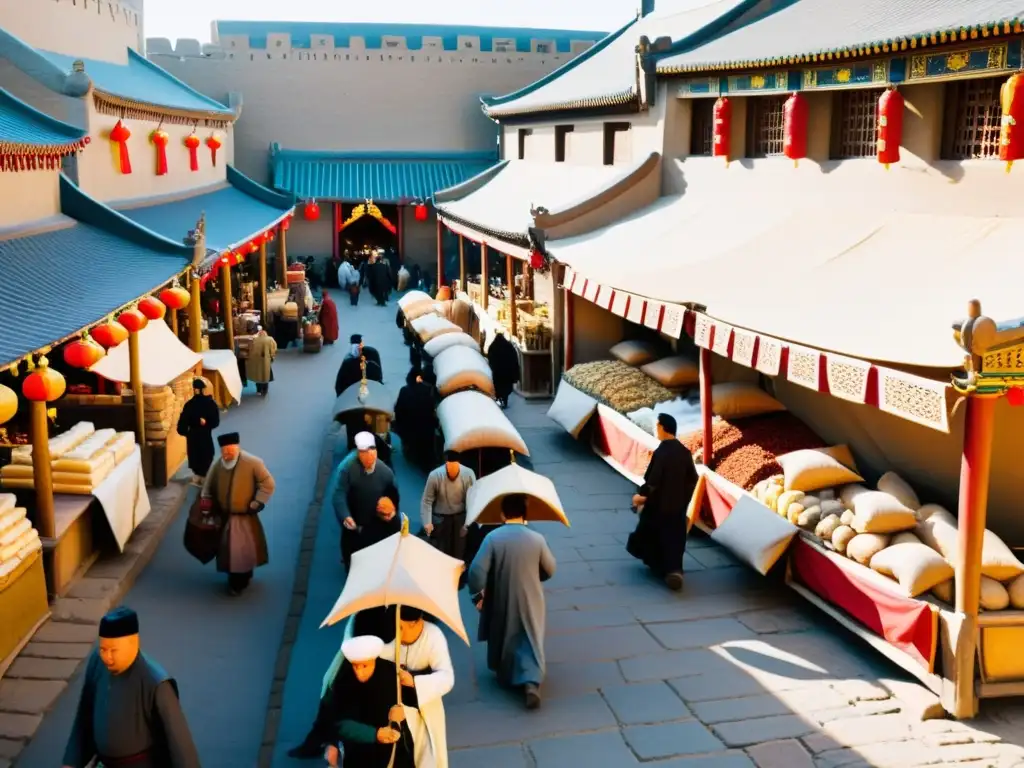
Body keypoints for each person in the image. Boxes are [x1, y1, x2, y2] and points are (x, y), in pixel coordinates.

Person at [61, 607, 200, 768]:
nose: (107, 657)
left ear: (133, 643)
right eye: (103, 649)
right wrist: (71, 763)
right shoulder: (97, 662)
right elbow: (84, 717)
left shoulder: (155, 682)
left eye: (113, 650)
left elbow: (179, 743)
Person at [468, 494, 556, 709]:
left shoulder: (493, 538)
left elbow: (476, 572)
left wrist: (478, 596)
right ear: (525, 514)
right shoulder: (537, 539)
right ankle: (531, 681)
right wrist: (536, 577)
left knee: (505, 634)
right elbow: (550, 569)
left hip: (502, 597)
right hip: (531, 597)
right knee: (530, 635)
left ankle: (507, 674)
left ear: (502, 513)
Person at [626, 412, 697, 591]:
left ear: (662, 428)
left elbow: (653, 482)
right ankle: (674, 571)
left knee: (653, 535)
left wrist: (640, 497)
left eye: (657, 426)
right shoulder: (685, 452)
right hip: (678, 508)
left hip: (659, 506)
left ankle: (661, 569)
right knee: (674, 540)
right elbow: (693, 479)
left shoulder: (662, 452)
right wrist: (683, 500)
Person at [321, 636, 416, 768]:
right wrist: (375, 734)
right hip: (360, 753)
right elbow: (340, 722)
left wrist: (405, 710)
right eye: (355, 666)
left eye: (365, 666)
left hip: (395, 752)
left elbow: (416, 704)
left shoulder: (392, 673)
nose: (360, 672)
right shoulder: (343, 681)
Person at [201, 432, 276, 595]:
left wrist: (257, 502)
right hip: (225, 516)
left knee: (241, 550)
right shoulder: (218, 465)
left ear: (237, 448)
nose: (227, 455)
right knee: (228, 550)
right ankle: (237, 578)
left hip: (244, 516)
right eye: (224, 452)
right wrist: (206, 502)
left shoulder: (252, 463)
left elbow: (267, 483)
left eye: (230, 451)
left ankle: (238, 582)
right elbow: (208, 485)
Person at [334, 431, 399, 570]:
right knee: (352, 556)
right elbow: (339, 494)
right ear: (358, 454)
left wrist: (391, 512)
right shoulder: (347, 469)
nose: (368, 459)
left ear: (375, 453)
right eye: (363, 454)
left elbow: (394, 497)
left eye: (370, 454)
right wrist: (345, 516)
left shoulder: (386, 473)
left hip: (375, 521)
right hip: (354, 516)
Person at [421, 451, 475, 562]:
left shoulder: (468, 474)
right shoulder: (435, 475)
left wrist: (467, 524)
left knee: (459, 553)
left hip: (460, 517)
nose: (452, 470)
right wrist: (427, 522)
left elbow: (473, 501)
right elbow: (427, 500)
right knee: (441, 552)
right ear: (446, 464)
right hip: (441, 517)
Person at [175, 378, 220, 485]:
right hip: (205, 436)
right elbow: (215, 422)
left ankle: (198, 476)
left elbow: (181, 425)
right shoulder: (210, 403)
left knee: (195, 456)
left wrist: (187, 432)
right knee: (206, 455)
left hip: (192, 437)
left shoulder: (189, 405)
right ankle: (205, 477)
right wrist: (205, 424)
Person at [394, 368, 438, 468]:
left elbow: (398, 411)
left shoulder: (404, 391)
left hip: (409, 429)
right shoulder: (428, 391)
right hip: (426, 430)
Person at [487, 331, 520, 408]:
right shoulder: (509, 346)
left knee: (498, 388)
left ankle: (500, 399)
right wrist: (515, 373)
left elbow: (490, 358)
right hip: (507, 373)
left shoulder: (493, 346)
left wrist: (493, 367)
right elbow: (514, 359)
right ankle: (505, 400)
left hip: (497, 373)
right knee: (506, 388)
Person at [246, 326, 277, 396]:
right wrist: (272, 357)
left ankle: (258, 390)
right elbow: (273, 349)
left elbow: (249, 348)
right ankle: (265, 390)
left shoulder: (254, 339)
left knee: (258, 375)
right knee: (266, 376)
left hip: (256, 361)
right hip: (265, 361)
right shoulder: (270, 339)